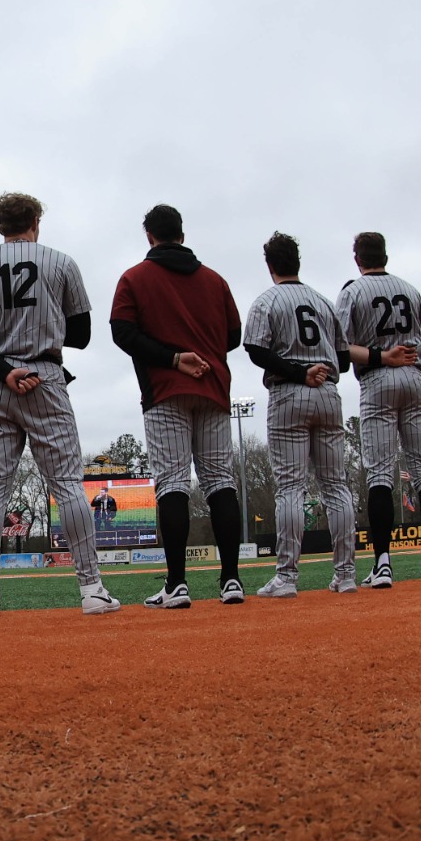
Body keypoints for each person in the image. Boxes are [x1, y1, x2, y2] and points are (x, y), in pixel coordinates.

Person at [0, 194, 120, 616]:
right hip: (44, 376)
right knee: (65, 484)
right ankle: (91, 590)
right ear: (36, 221)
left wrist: (4, 368)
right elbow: (81, 334)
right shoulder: (61, 262)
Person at [109, 205, 245, 605]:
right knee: (220, 480)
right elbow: (233, 336)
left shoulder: (134, 277)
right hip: (214, 387)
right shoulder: (215, 280)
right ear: (182, 235)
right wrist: (201, 352)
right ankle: (232, 580)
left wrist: (173, 357)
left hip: (165, 387)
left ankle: (177, 584)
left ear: (150, 236)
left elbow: (122, 333)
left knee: (172, 482)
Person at [242, 231, 356, 596]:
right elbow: (342, 360)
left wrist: (297, 371)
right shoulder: (323, 302)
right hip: (328, 392)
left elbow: (256, 351)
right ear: (298, 262)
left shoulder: (267, 300)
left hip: (290, 393)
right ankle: (346, 574)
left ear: (270, 265)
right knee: (335, 485)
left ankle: (288, 578)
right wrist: (316, 369)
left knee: (291, 486)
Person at [335, 231, 421, 588]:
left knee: (380, 473)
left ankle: (383, 563)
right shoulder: (411, 289)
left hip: (378, 377)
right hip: (413, 377)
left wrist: (382, 357)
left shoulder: (353, 291)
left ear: (358, 260)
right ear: (385, 254)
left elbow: (339, 347)